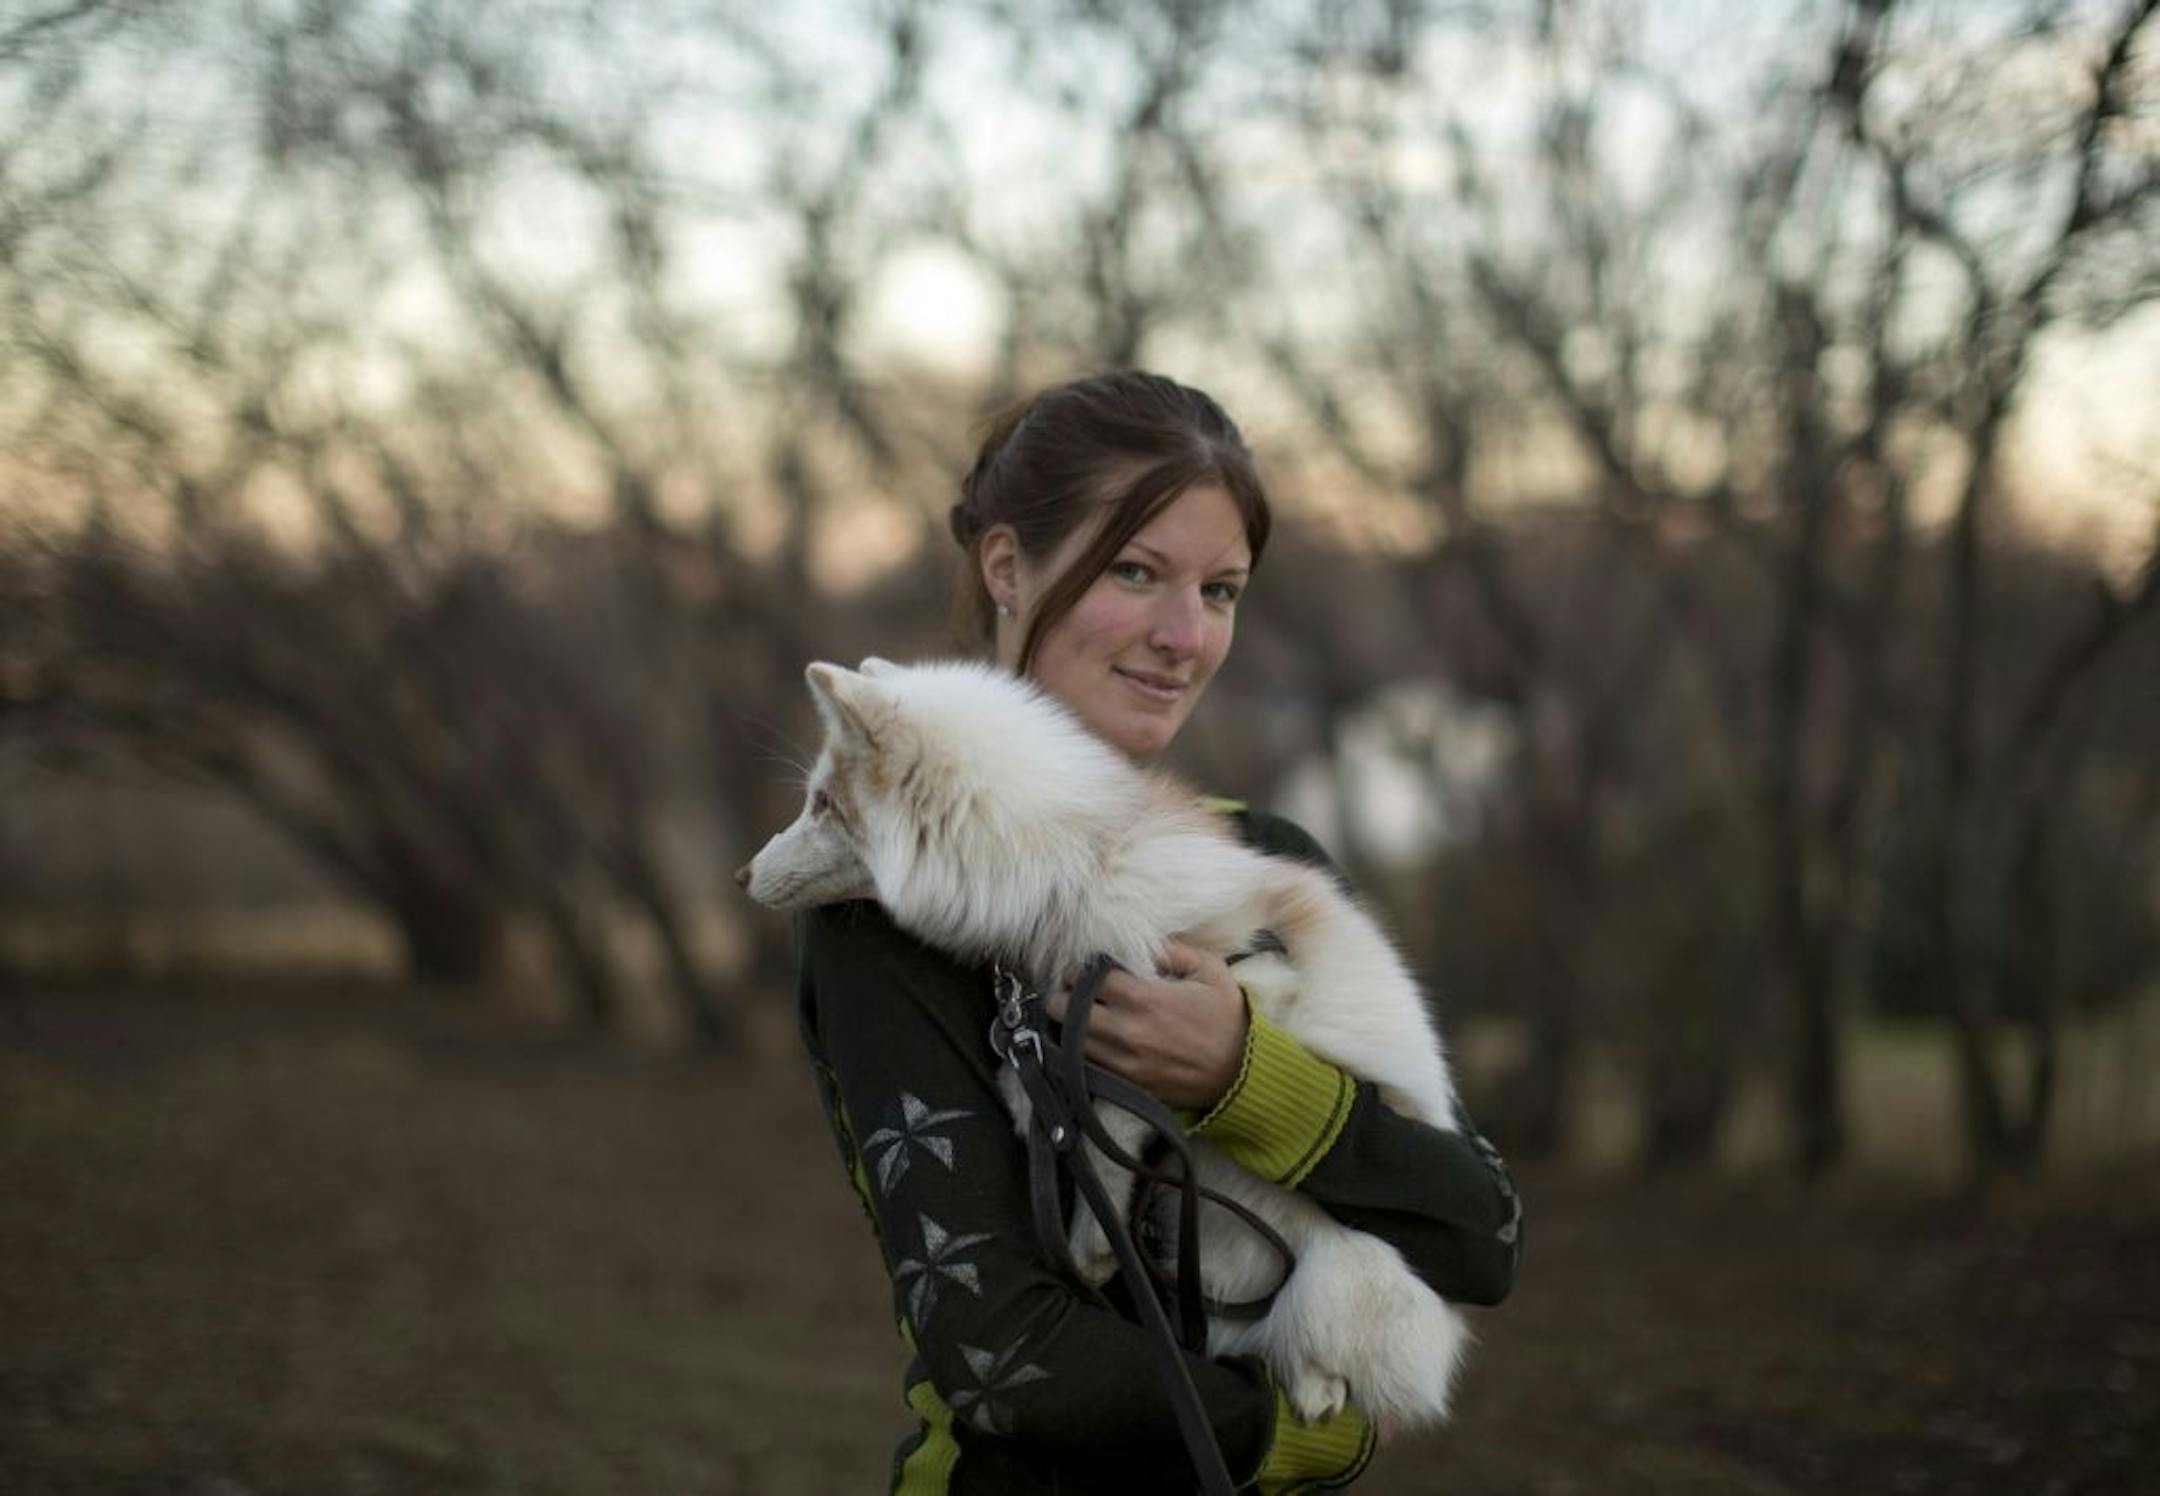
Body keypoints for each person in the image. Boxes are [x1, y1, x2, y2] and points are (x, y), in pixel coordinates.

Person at [793, 371, 1522, 1494]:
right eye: (1135, 572)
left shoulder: (1258, 857)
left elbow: (1480, 1236)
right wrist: (1284, 1438)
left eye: (1221, 590)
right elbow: (1000, 1358)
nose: (1185, 636)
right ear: (1005, 566)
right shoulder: (888, 923)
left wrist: (1244, 1074)